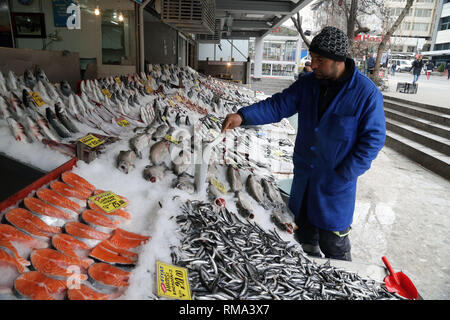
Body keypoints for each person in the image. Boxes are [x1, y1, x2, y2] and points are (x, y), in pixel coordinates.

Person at [221, 26, 386, 262]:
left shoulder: (366, 94)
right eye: (313, 58)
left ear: (339, 61)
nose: (313, 64)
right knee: (302, 242)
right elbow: (278, 105)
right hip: (304, 182)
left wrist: (345, 173)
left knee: (335, 247)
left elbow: (373, 140)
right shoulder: (308, 83)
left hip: (335, 188)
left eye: (320, 59)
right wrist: (242, 116)